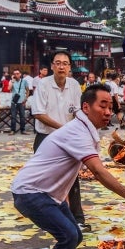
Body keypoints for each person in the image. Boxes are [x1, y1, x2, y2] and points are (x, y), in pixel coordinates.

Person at [11, 83, 125, 249]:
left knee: (75, 235)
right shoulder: (76, 132)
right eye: (102, 106)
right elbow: (98, 171)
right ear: (85, 107)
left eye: (110, 107)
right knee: (68, 235)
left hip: (49, 194)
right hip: (31, 192)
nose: (108, 112)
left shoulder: (83, 130)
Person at [31, 51, 88, 231]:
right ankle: (48, 218)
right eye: (58, 63)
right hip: (46, 137)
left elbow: (78, 111)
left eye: (65, 63)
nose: (62, 66)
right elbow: (38, 113)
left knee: (72, 177)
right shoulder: (43, 85)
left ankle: (77, 218)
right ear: (52, 66)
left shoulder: (74, 85)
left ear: (70, 67)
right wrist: (63, 128)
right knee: (45, 180)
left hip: (68, 137)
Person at [9, 69, 30, 134]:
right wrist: (12, 81)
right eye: (15, 74)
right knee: (13, 116)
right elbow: (9, 89)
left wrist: (26, 99)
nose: (16, 75)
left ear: (20, 74)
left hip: (22, 101)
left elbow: (28, 90)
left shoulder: (24, 81)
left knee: (22, 116)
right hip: (14, 101)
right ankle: (13, 130)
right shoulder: (12, 81)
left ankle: (23, 130)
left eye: (17, 73)